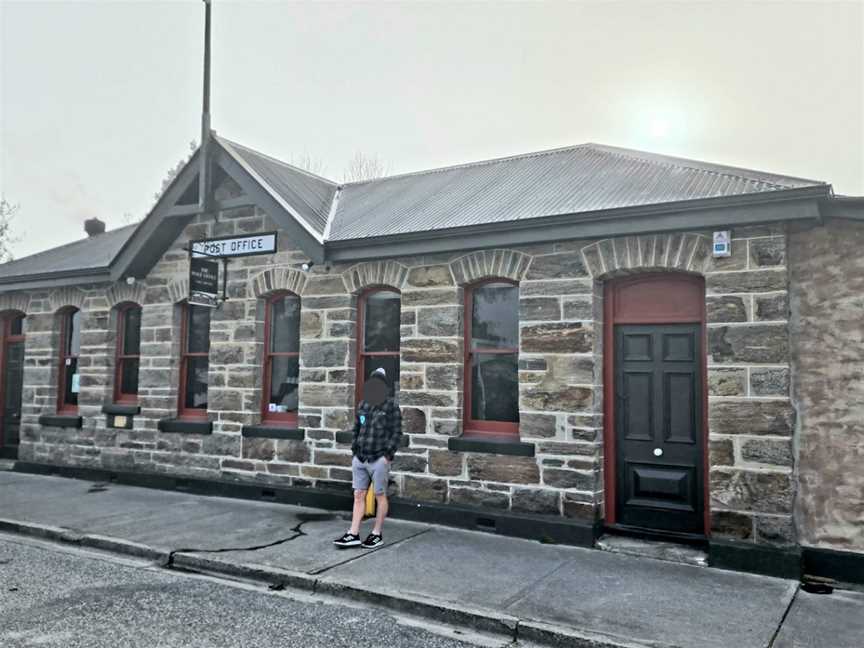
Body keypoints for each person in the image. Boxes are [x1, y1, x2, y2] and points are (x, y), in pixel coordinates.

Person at [333, 367, 402, 548]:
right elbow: (357, 428)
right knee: (358, 494)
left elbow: (396, 433)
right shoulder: (363, 405)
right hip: (361, 457)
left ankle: (376, 533)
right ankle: (353, 533)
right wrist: (355, 449)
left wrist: (387, 455)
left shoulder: (391, 407)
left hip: (379, 458)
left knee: (380, 495)